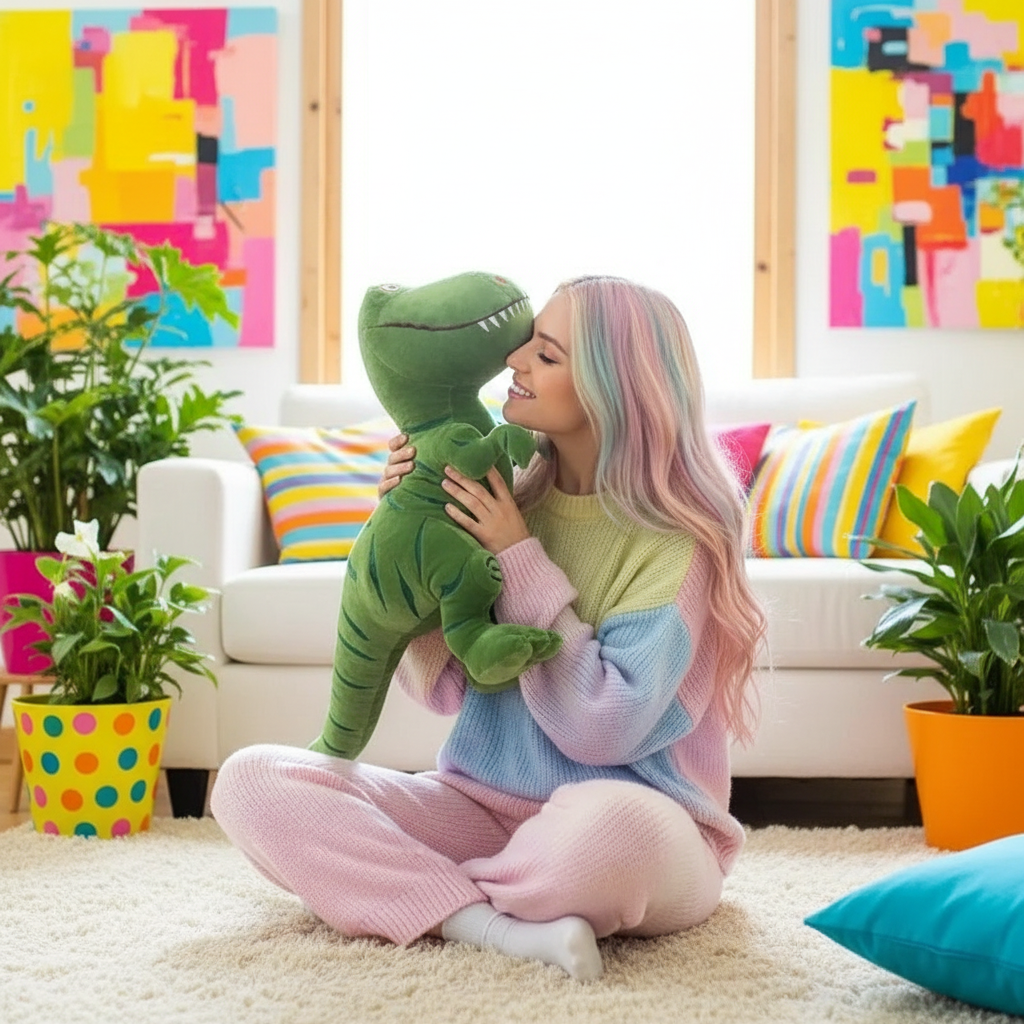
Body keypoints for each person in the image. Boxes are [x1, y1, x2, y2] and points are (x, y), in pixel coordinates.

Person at [210, 275, 766, 981]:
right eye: (527, 345)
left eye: (546, 354)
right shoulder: (503, 490)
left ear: (611, 388)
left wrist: (517, 557)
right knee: (252, 782)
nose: (514, 360)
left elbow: (603, 729)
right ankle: (489, 923)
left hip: (643, 827)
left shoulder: (679, 539)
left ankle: (414, 891)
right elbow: (443, 688)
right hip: (480, 808)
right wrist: (408, 537)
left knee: (605, 830)